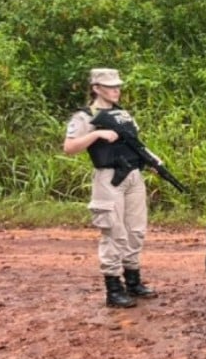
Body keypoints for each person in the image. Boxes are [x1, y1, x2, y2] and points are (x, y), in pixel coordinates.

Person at [63, 68, 157, 308]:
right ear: (96, 88)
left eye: (118, 85)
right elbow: (70, 147)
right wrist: (97, 135)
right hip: (108, 177)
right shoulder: (84, 117)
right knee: (114, 231)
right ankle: (114, 288)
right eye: (111, 86)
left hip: (133, 175)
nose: (117, 90)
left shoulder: (123, 114)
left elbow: (136, 143)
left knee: (135, 230)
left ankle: (133, 281)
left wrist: (152, 161)